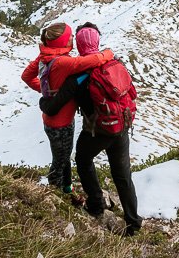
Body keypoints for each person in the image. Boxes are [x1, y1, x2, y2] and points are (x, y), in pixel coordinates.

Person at [40, 22, 141, 234]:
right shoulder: (114, 62)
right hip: (122, 127)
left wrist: (43, 103)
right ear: (97, 41)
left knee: (83, 159)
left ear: (78, 45)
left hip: (97, 131)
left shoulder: (79, 75)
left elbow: (53, 107)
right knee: (123, 175)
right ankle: (133, 223)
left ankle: (95, 204)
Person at [21, 22, 114, 201]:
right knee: (61, 159)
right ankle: (54, 193)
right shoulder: (64, 62)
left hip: (51, 119)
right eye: (70, 37)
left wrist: (47, 90)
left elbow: (26, 76)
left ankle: (66, 187)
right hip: (61, 123)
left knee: (62, 155)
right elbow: (92, 60)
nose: (72, 39)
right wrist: (109, 53)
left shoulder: (44, 56)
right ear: (63, 42)